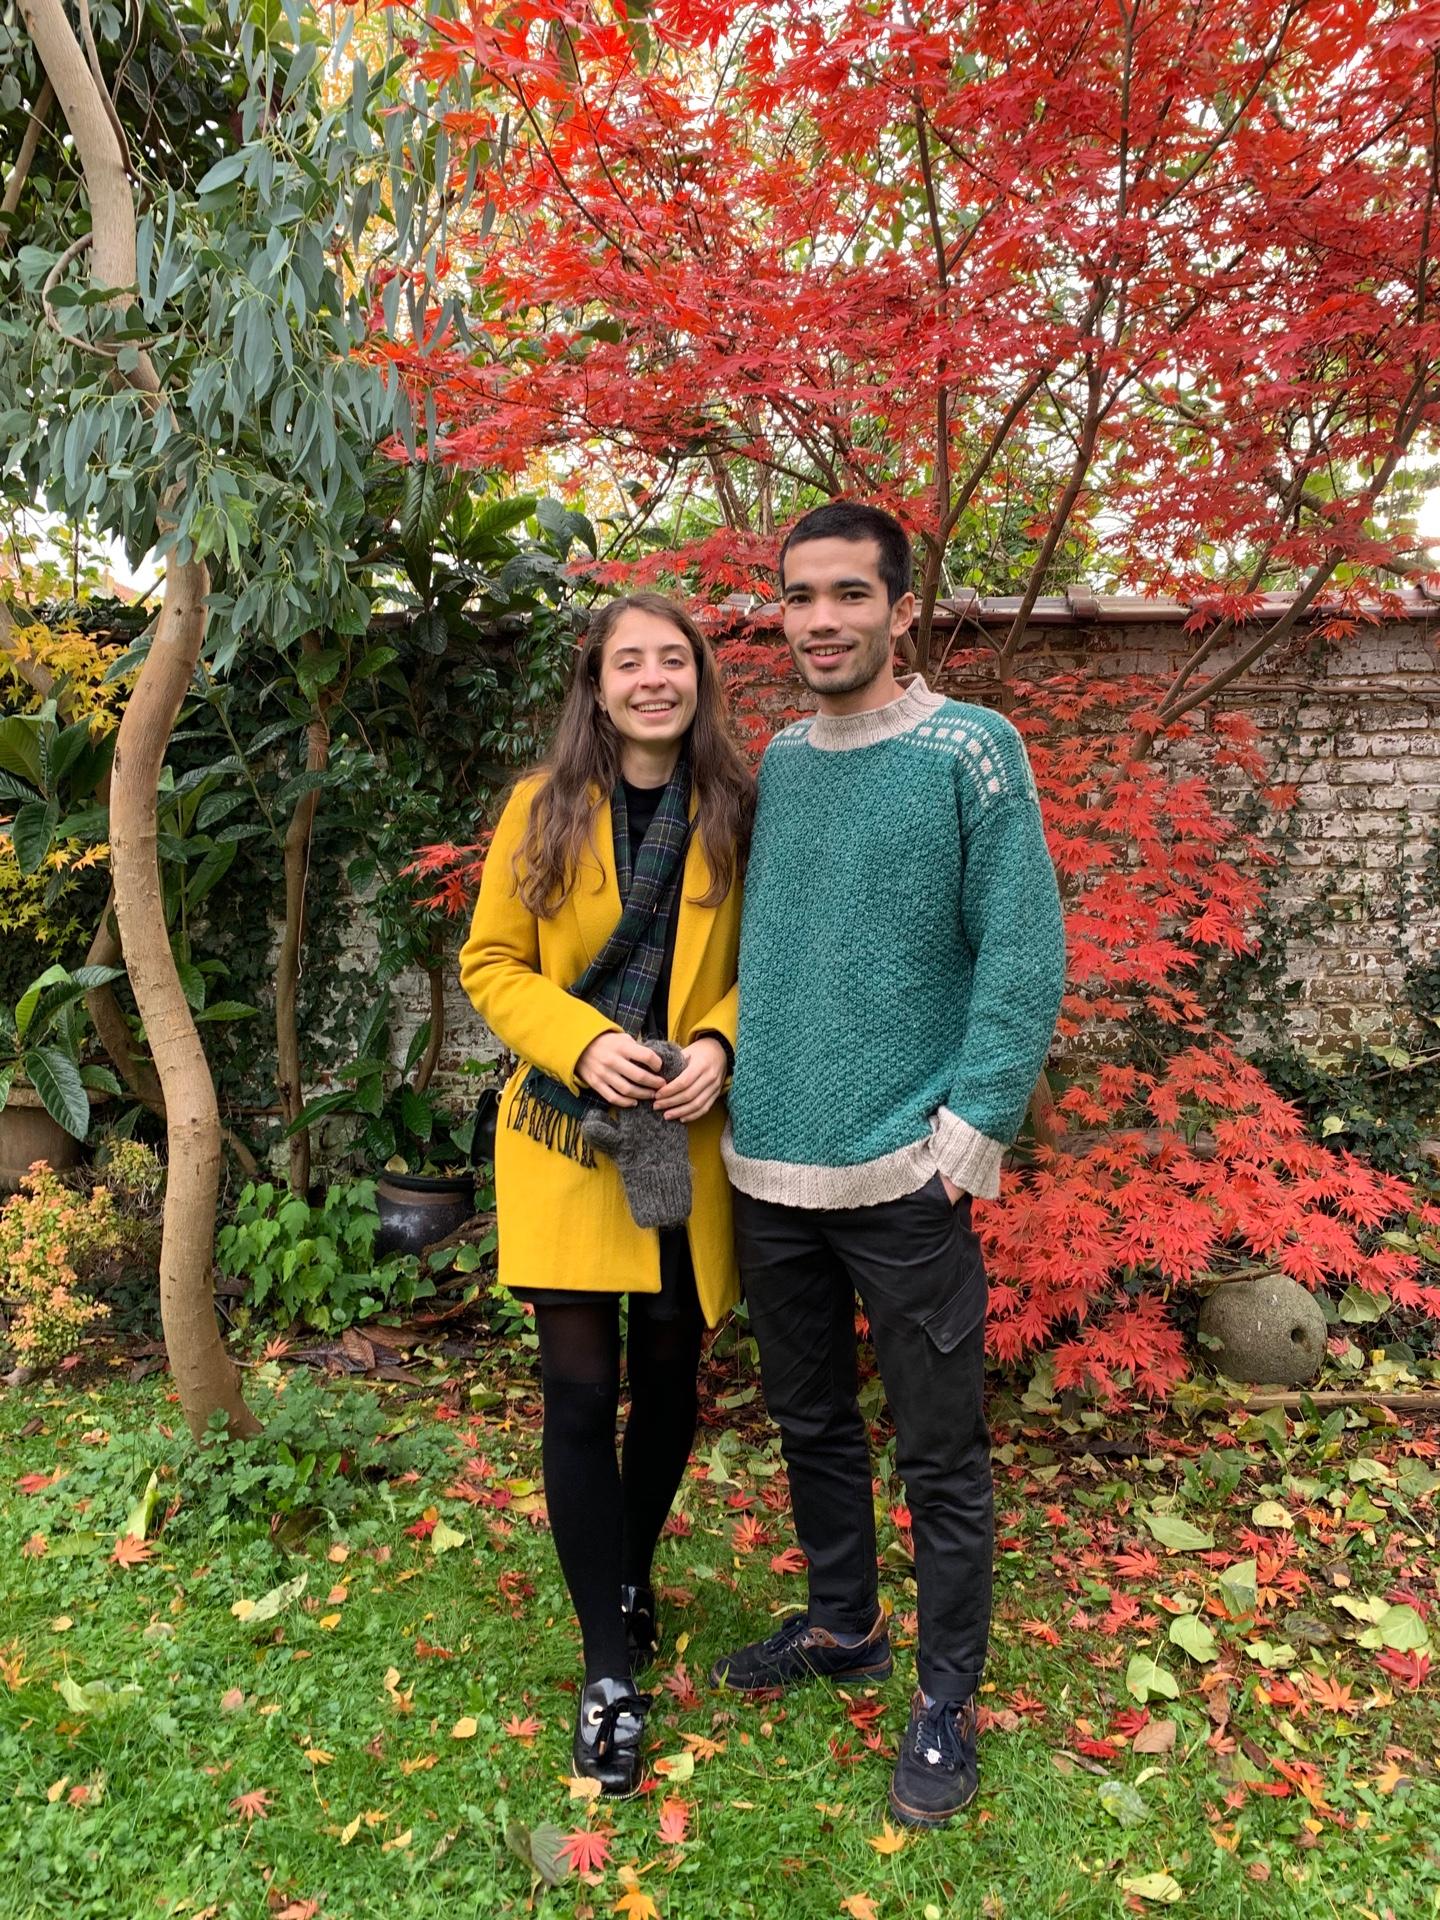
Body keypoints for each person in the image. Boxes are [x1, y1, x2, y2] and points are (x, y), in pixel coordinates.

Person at [711, 502, 1066, 1829]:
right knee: (809, 1422)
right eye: (800, 595)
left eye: (850, 593)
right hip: (769, 1170)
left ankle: (943, 1698)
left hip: (906, 1181)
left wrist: (965, 1141)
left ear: (901, 608)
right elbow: (767, 952)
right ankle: (844, 1622)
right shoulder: (781, 764)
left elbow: (1023, 951)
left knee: (939, 1451)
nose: (820, 619)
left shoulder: (974, 751)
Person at [459, 591, 753, 1796]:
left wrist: (723, 1045)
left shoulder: (739, 809)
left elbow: (766, 970)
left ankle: (632, 1569)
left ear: (697, 679)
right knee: (580, 1397)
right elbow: (490, 962)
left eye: (671, 660)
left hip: (682, 1138)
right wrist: (580, 1042)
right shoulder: (543, 807)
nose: (651, 680)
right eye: (628, 662)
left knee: (672, 1374)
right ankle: (605, 1673)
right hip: (572, 1137)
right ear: (597, 683)